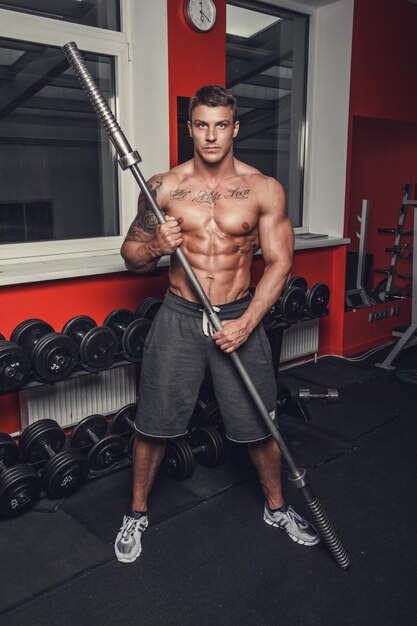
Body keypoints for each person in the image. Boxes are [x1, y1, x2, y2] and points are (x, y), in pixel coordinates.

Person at [114, 85, 319, 563]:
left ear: (235, 127)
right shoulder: (164, 187)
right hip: (180, 314)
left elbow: (280, 263)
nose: (211, 135)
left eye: (221, 124)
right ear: (190, 128)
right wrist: (156, 247)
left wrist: (247, 323)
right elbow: (130, 258)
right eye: (202, 124)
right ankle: (137, 513)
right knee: (153, 424)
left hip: (238, 315)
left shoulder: (264, 189)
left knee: (261, 423)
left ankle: (276, 507)